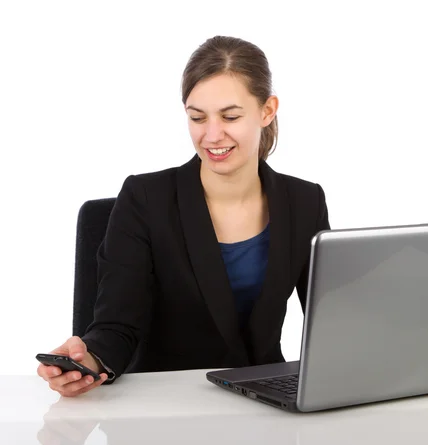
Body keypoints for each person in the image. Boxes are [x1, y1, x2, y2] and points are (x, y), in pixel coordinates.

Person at [36, 35, 330, 398]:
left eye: (231, 116)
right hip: (165, 403)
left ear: (267, 111)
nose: (211, 135)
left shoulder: (304, 201)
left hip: (263, 399)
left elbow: (332, 323)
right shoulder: (145, 199)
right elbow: (116, 327)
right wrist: (88, 362)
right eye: (197, 117)